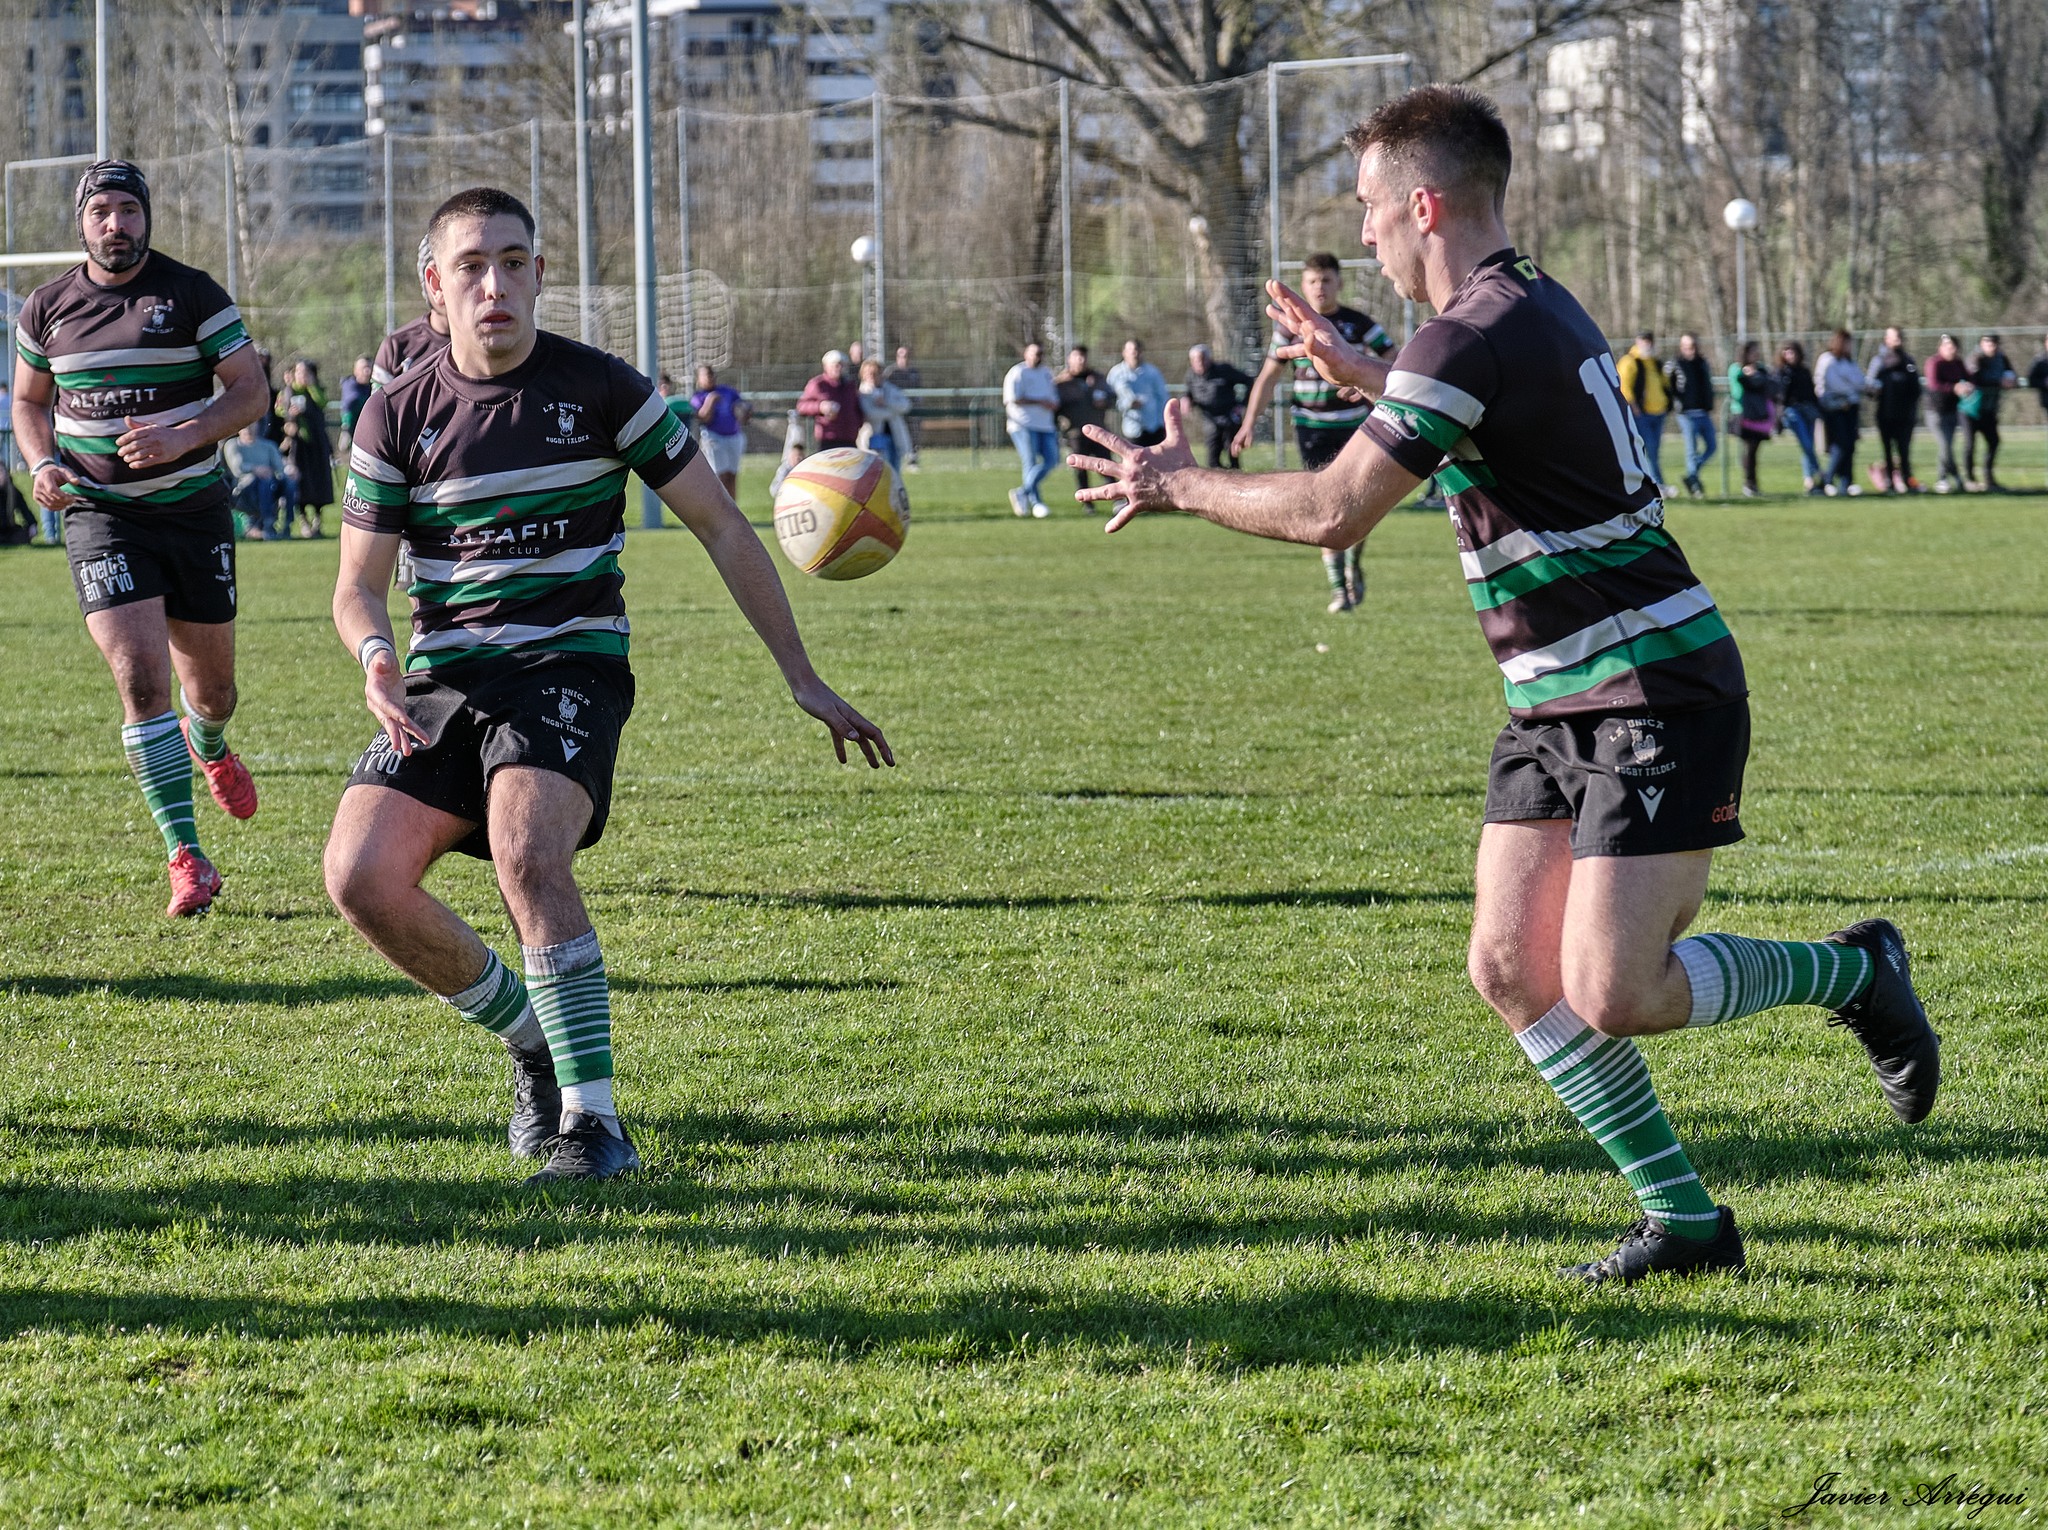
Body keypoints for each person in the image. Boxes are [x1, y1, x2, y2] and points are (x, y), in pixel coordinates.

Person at [1070, 84, 1937, 1286]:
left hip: (1650, 688)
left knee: (1612, 989)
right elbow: (1492, 419)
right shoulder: (1509, 309)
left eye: (1370, 209)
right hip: (1554, 699)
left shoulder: (1467, 337)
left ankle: (1854, 971)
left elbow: (1332, 514)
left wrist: (1176, 488)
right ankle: (1685, 1225)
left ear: (1422, 205)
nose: (1361, 234)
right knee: (1508, 969)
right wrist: (1370, 373)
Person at [326, 187, 893, 1184]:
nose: (493, 283)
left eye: (512, 260)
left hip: (566, 663)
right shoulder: (395, 413)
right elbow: (356, 588)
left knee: (525, 851)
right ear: (434, 286)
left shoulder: (600, 389)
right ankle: (535, 1040)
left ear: (540, 275)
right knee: (360, 877)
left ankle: (593, 1124)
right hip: (443, 675)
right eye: (470, 265)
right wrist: (375, 656)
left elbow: (720, 523)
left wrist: (799, 675)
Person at [10, 160, 269, 916]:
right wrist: (42, 462)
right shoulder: (47, 307)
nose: (116, 224)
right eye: (102, 212)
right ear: (81, 222)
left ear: (145, 216)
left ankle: (211, 744)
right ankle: (185, 855)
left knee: (211, 692)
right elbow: (29, 401)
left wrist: (183, 434)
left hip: (192, 512)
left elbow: (251, 390)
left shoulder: (192, 293)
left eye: (128, 209)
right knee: (139, 679)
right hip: (100, 518)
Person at [1236, 251, 1398, 612]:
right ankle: (1340, 589)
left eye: (1326, 280)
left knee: (1359, 505)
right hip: (1311, 428)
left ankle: (1352, 564)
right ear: (1304, 286)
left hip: (1357, 427)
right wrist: (1249, 423)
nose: (1319, 288)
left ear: (1339, 282)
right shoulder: (1289, 328)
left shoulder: (1358, 324)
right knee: (1328, 506)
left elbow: (1396, 360)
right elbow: (1268, 377)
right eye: (1312, 281)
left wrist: (1367, 381)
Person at [372, 235, 452, 391]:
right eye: (435, 278)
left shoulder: (493, 341)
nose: (441, 286)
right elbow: (380, 411)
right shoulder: (396, 346)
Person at [1002, 340, 1061, 518]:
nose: (1038, 357)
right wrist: (1039, 401)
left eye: (1041, 354)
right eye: (1035, 353)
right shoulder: (1017, 372)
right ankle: (1037, 503)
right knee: (1030, 462)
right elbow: (1013, 399)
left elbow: (1053, 396)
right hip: (1023, 424)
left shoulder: (1045, 373)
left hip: (1046, 424)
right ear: (1026, 354)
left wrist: (1052, 404)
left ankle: (1022, 492)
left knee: (1053, 460)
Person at [280, 358, 333, 538]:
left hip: (317, 444)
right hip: (299, 446)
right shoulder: (289, 391)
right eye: (298, 372)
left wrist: (312, 387)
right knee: (301, 484)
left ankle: (318, 522)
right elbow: (282, 412)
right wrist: (290, 417)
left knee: (319, 483)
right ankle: (303, 522)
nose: (301, 376)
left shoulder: (316, 390)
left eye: (305, 372)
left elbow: (322, 403)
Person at [1814, 328, 1870, 496]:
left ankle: (1847, 482)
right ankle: (1827, 480)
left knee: (1850, 445)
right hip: (1834, 408)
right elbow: (1826, 382)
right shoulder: (1828, 360)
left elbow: (1859, 382)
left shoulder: (1849, 363)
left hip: (1851, 407)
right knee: (1840, 445)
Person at [1864, 327, 1921, 493]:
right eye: (1894, 337)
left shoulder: (1908, 361)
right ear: (1886, 339)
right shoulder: (1879, 361)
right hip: (1885, 414)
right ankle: (1889, 481)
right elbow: (1870, 387)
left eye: (1899, 337)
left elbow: (1916, 389)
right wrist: (1876, 391)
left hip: (1905, 415)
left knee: (1904, 450)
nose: (1898, 340)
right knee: (1888, 450)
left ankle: (1907, 479)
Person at [1959, 332, 2017, 492]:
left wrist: (2011, 380)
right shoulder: (1976, 358)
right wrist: (1998, 382)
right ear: (1982, 344)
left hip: (1989, 410)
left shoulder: (2001, 358)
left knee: (1994, 441)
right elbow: (1974, 378)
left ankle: (1989, 478)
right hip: (1971, 410)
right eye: (1988, 343)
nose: (1991, 346)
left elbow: (2012, 374)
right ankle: (1970, 479)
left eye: (1994, 343)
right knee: (1970, 444)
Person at [1055, 345, 1114, 501]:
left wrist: (1105, 402)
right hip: (1075, 432)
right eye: (1077, 357)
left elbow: (1112, 397)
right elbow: (1055, 406)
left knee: (1107, 465)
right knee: (1080, 466)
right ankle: (1087, 501)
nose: (1081, 360)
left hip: (1098, 430)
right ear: (1070, 359)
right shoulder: (1062, 382)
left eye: (1083, 357)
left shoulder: (1097, 378)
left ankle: (1117, 498)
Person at [1615, 331, 1672, 488]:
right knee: (1649, 448)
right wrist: (1634, 407)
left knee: (1654, 450)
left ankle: (1653, 482)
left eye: (1650, 341)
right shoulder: (1630, 361)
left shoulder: (1655, 362)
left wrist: (1667, 403)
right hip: (1641, 413)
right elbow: (1623, 386)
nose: (1648, 344)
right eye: (1644, 341)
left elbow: (1664, 384)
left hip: (1658, 413)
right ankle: (1657, 483)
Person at [1183, 344, 1252, 469]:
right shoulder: (1190, 376)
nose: (1199, 363)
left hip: (1229, 417)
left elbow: (1248, 381)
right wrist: (1186, 400)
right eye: (1195, 360)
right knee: (1212, 460)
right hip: (1210, 420)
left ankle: (1235, 479)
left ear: (1209, 359)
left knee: (1233, 455)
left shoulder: (1223, 370)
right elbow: (1188, 393)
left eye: (1202, 359)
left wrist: (1242, 405)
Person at [1664, 332, 1716, 497]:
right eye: (1686, 346)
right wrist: (1673, 402)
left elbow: (1707, 385)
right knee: (1691, 450)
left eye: (1693, 346)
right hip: (1686, 413)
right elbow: (1665, 383)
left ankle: (1691, 475)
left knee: (1712, 446)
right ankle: (1694, 485)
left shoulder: (1702, 363)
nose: (1690, 350)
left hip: (1703, 412)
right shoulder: (1675, 363)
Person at [690, 363, 750, 501]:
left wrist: (744, 411)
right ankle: (721, 509)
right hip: (714, 438)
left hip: (734, 436)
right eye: (706, 375)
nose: (710, 377)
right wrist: (711, 400)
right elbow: (704, 417)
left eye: (712, 374)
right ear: (699, 379)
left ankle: (733, 509)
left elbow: (743, 406)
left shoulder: (727, 391)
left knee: (732, 475)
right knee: (719, 476)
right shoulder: (698, 397)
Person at [1726, 341, 1778, 498]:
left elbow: (1770, 385)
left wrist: (1757, 375)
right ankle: (1749, 483)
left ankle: (1752, 482)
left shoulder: (1761, 369)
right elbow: (1738, 388)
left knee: (1754, 450)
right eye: (1752, 352)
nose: (1756, 355)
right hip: (1743, 414)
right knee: (1749, 449)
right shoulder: (1736, 369)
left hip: (1759, 415)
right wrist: (1749, 376)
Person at [1772, 340, 1822, 492]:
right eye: (1786, 352)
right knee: (1806, 443)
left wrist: (1817, 410)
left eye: (1792, 351)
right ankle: (1821, 473)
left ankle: (1809, 480)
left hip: (1808, 410)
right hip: (1791, 411)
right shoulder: (1781, 372)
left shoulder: (1804, 371)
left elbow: (1811, 393)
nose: (1789, 355)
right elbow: (1780, 397)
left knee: (1808, 445)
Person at [224, 421, 286, 541]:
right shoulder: (233, 445)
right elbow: (237, 468)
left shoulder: (268, 446)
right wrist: (256, 469)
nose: (249, 429)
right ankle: (265, 524)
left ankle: (284, 526)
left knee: (286, 483)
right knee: (261, 481)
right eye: (246, 426)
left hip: (269, 484)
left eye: (252, 425)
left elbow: (279, 468)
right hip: (241, 488)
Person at [1922, 334, 1966, 492]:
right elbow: (1934, 384)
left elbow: (1968, 377)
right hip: (1935, 412)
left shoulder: (1958, 363)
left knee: (1947, 446)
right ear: (1940, 348)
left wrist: (1969, 385)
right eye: (1947, 345)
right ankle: (1943, 479)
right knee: (1945, 445)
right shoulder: (1934, 363)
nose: (1951, 349)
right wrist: (1954, 388)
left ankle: (1956, 479)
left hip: (1951, 411)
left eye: (1953, 346)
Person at [1106, 338, 1169, 448]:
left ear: (1141, 352)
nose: (1133, 353)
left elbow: (1163, 397)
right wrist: (1128, 405)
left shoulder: (1152, 372)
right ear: (1124, 352)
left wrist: (1162, 423)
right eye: (1130, 350)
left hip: (1154, 427)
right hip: (1132, 428)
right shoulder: (1116, 373)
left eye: (1136, 350)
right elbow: (1109, 400)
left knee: (1156, 463)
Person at [797, 349, 862, 450]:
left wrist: (857, 423)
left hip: (850, 439)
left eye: (842, 365)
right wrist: (820, 407)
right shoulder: (817, 384)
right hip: (828, 440)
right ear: (826, 366)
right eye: (835, 365)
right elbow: (801, 406)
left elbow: (857, 408)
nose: (839, 368)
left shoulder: (850, 385)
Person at [857, 356, 911, 478]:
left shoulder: (890, 389)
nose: (872, 376)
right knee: (876, 474)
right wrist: (893, 412)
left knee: (894, 473)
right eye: (868, 374)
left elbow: (905, 405)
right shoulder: (863, 393)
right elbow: (871, 414)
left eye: (875, 373)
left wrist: (886, 403)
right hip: (874, 437)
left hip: (893, 437)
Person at [882, 343, 920, 470]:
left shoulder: (914, 372)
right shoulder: (891, 372)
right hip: (896, 410)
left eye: (907, 356)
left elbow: (919, 389)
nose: (904, 358)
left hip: (912, 409)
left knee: (914, 432)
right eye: (901, 356)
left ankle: (912, 460)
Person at [339, 354, 373, 458]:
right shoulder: (350, 385)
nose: (367, 371)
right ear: (355, 370)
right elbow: (351, 402)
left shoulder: (374, 386)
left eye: (369, 368)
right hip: (353, 433)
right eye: (363, 368)